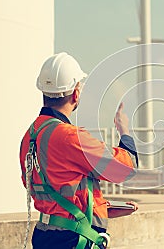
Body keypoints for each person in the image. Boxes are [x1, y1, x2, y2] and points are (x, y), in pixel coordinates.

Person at [20, 52, 138, 249]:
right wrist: (124, 132)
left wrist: (105, 207)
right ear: (75, 93)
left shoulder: (29, 136)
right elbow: (125, 169)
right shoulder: (70, 137)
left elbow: (46, 189)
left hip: (44, 237)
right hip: (73, 240)